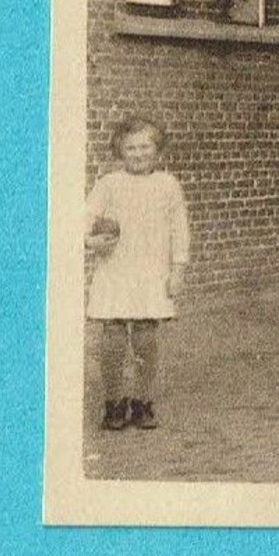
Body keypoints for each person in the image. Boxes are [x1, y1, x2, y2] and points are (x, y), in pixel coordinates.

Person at [85, 117, 190, 431]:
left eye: (145, 146)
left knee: (145, 338)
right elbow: (85, 216)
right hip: (116, 271)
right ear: (119, 150)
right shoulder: (109, 184)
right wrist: (90, 239)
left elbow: (179, 230)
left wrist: (178, 270)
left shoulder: (168, 185)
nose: (138, 153)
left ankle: (142, 401)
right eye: (130, 147)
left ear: (157, 150)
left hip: (150, 272)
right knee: (113, 337)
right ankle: (113, 402)